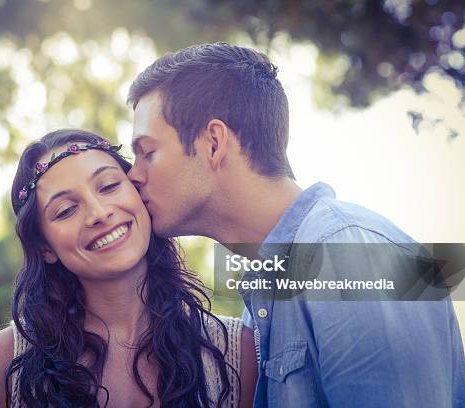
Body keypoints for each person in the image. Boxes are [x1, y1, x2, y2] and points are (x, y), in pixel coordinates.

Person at [127, 43, 464, 407]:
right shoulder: (267, 295)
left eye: (148, 152)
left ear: (213, 142)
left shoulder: (350, 255)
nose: (134, 175)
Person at [0, 129, 257, 407]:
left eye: (109, 186)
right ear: (45, 247)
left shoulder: (236, 352)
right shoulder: (4, 362)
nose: (99, 213)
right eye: (66, 210)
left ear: (138, 192)